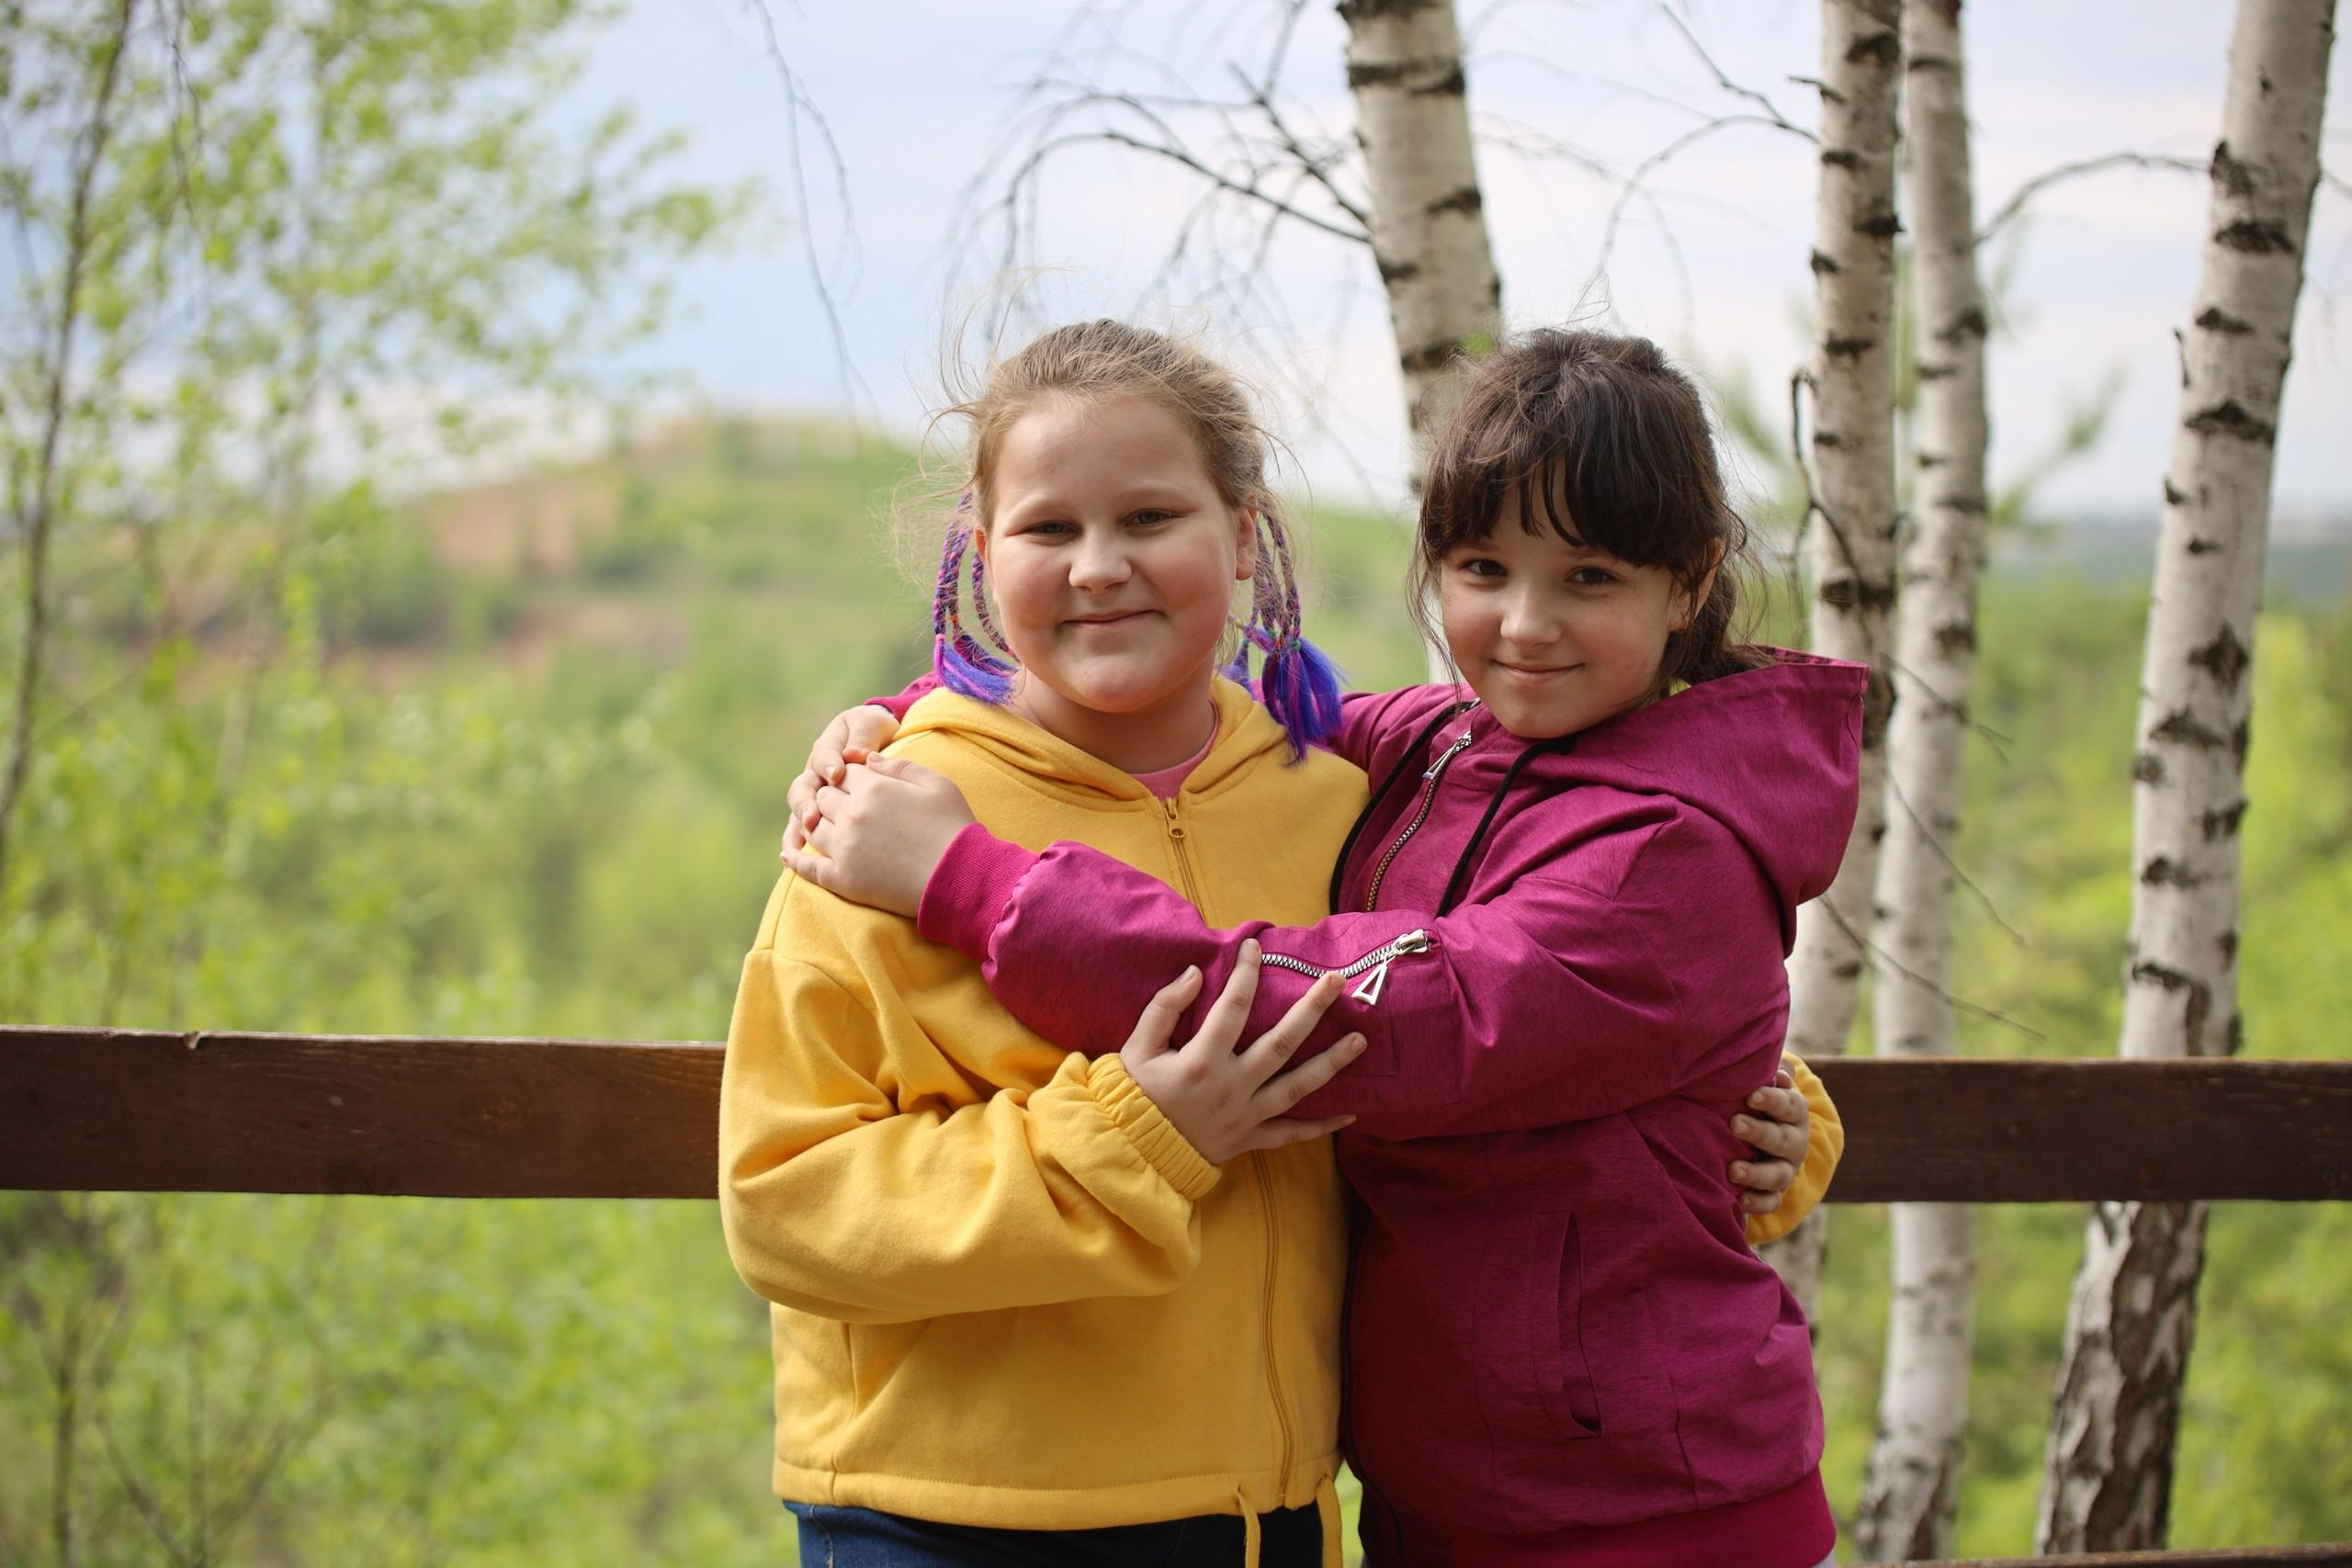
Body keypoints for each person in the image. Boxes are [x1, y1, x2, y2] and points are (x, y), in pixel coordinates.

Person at [782, 327, 1857, 1567]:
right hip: (1431, 1491)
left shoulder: (1671, 852)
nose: (1524, 625)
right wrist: (914, 713)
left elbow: (1372, 1023)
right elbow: (1190, 721)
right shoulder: (1434, 749)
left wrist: (967, 879)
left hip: (1648, 1509)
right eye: (1480, 567)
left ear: (1691, 581)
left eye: (1591, 578)